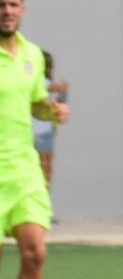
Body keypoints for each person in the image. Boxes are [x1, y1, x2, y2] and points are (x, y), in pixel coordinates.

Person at [0, 0, 69, 279]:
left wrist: (52, 110)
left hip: (23, 169)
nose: (7, 11)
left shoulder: (32, 55)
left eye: (13, 5)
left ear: (22, 10)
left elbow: (36, 102)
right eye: (1, 5)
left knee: (35, 252)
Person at [33, 52, 67, 198]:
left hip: (43, 134)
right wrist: (60, 89)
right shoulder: (40, 82)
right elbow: (51, 87)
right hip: (42, 135)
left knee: (43, 174)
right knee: (44, 175)